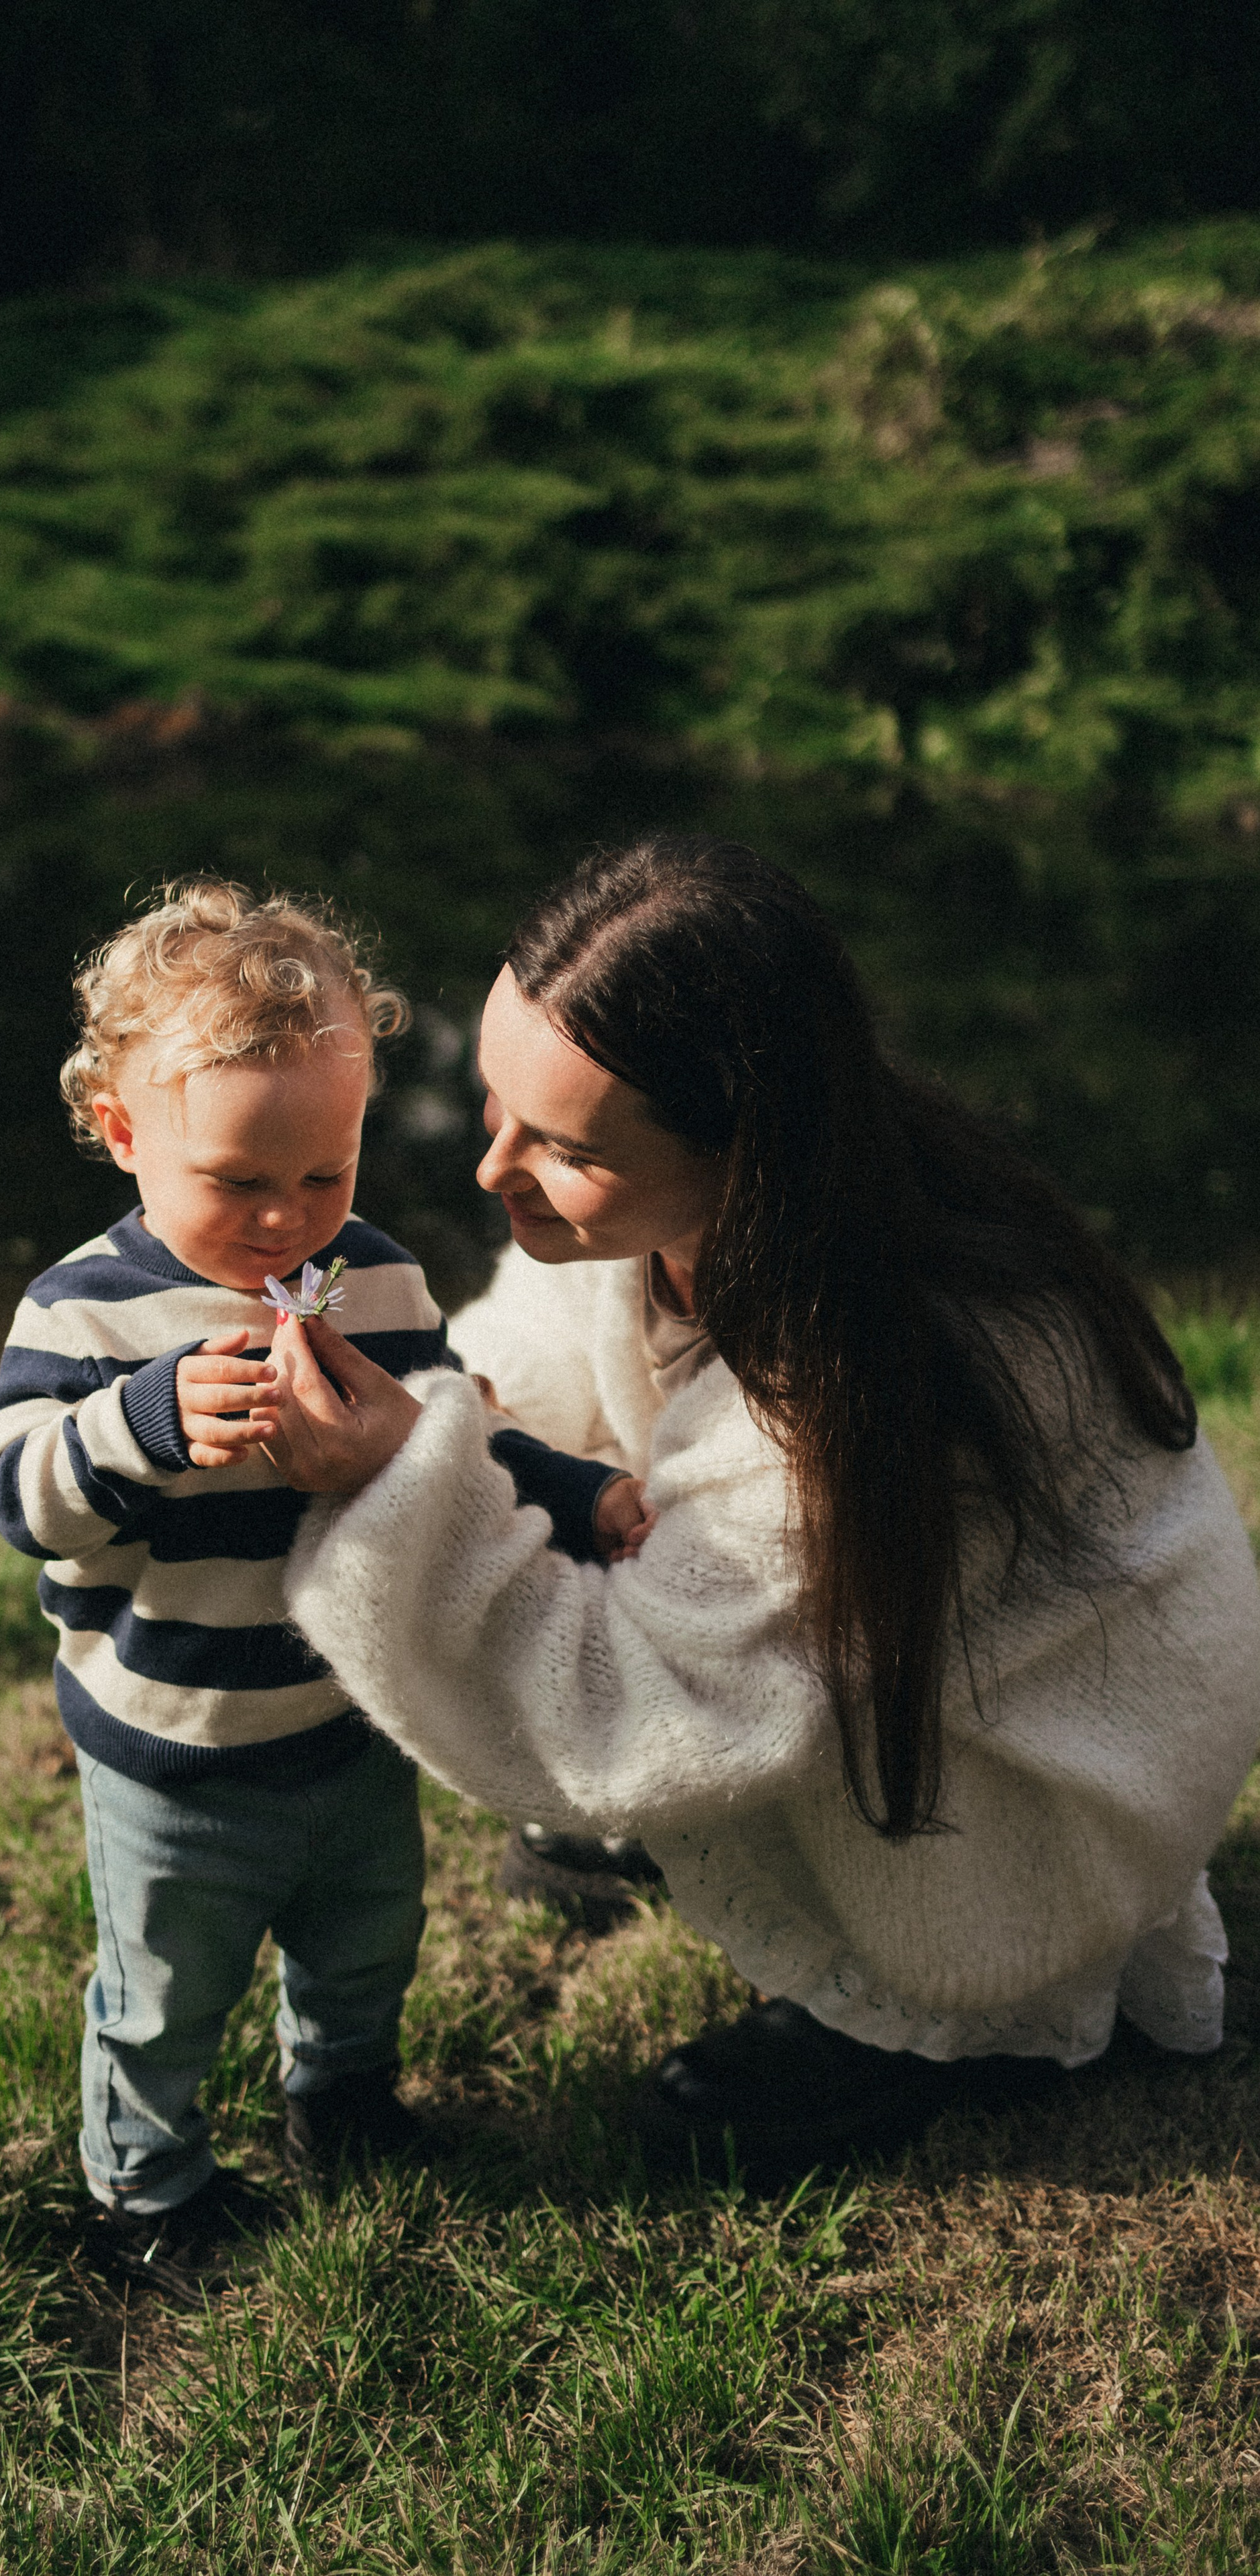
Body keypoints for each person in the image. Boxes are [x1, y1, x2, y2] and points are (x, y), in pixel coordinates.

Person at [250, 836, 1260, 2176]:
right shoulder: (747, 1200)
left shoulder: (870, 1380)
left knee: (700, 1746)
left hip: (1027, 1783)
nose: (491, 1174)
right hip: (868, 1658)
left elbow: (640, 1712)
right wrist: (455, 1402)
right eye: (494, 1103)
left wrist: (403, 1472)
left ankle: (913, 2024)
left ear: (744, 1149)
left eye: (558, 1148)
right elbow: (534, 1358)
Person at [0, 880, 649, 2295]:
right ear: (123, 1133)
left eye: (325, 1174)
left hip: (350, 1721)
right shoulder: (84, 1313)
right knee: (165, 1993)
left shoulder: (378, 1283)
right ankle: (146, 2188)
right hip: (174, 1751)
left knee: (364, 1942)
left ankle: (340, 2098)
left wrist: (577, 1494)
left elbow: (456, 1426)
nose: (288, 1222)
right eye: (237, 1182)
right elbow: (19, 1502)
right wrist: (137, 1426)